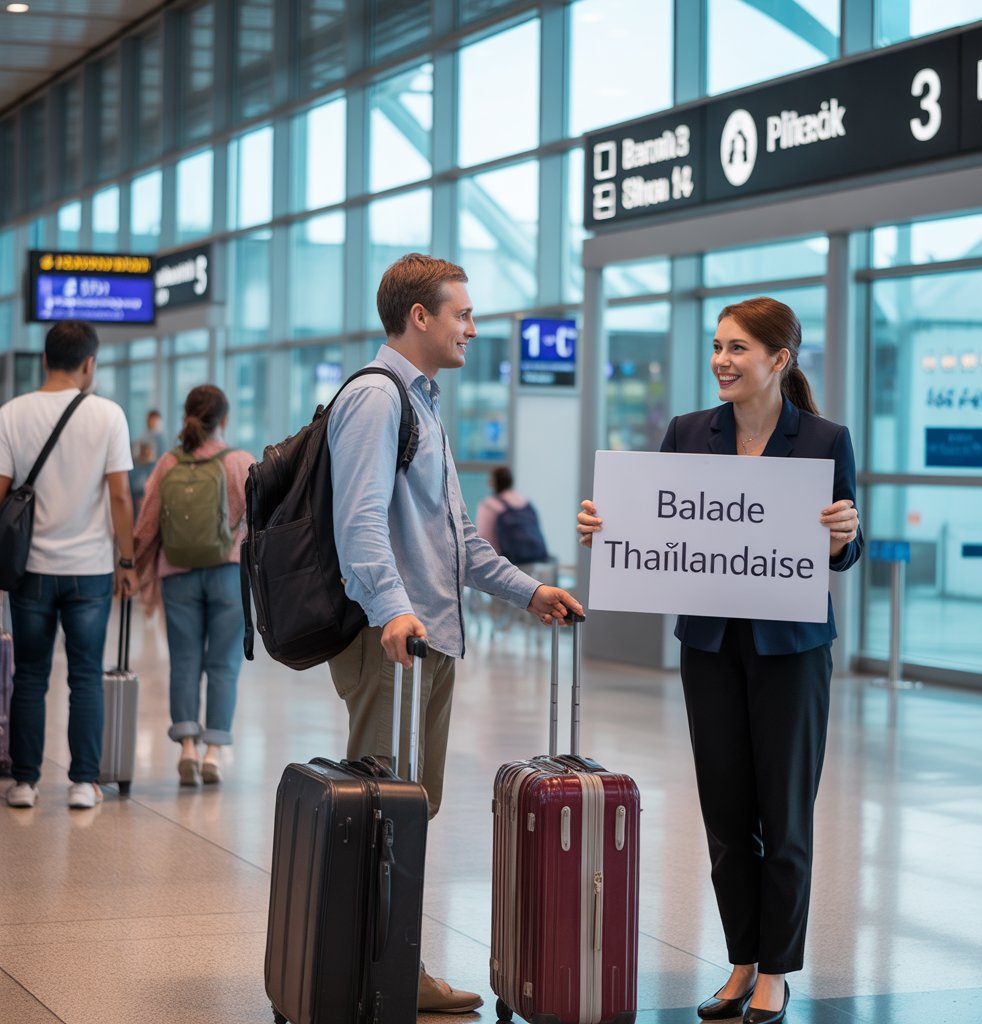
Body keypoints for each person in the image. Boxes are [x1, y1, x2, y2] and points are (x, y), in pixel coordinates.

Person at [578, 297, 862, 1024]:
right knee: (727, 813)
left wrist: (841, 538)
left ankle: (777, 970)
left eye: (738, 349)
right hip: (710, 647)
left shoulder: (825, 440)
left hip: (791, 651)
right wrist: (605, 532)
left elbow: (847, 546)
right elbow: (660, 521)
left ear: (779, 360)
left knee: (785, 813)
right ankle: (740, 962)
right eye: (717, 347)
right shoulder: (688, 433)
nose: (722, 361)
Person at [327, 253, 584, 1013]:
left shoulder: (424, 406)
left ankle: (384, 962)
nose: (472, 327)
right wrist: (393, 610)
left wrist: (528, 590)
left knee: (410, 805)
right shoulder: (379, 400)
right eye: (462, 313)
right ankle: (381, 972)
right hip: (395, 643)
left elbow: (459, 542)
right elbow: (360, 524)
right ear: (420, 317)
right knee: (385, 810)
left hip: (423, 640)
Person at [0, 320, 138, 810]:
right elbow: (120, 496)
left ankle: (24, 783)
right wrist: (127, 560)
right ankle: (83, 783)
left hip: (30, 569)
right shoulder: (108, 416)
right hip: (91, 569)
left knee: (30, 676)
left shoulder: (11, 414)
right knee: (85, 674)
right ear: (88, 364)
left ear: (44, 360)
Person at [133, 386, 255, 787]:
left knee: (184, 661)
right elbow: (263, 524)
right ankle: (214, 753)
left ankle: (186, 745)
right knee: (223, 666)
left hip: (178, 574)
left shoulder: (168, 463)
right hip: (227, 575)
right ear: (224, 420)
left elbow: (147, 525)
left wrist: (134, 568)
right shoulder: (240, 462)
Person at [475, 465, 549, 564]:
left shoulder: (489, 505)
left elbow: (483, 538)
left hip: (504, 564)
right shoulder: (526, 502)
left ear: (493, 482)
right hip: (532, 564)